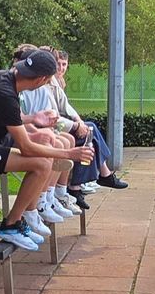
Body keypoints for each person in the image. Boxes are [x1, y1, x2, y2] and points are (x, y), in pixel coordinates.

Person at [0, 51, 94, 250]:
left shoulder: (5, 79)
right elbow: (26, 147)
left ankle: (34, 210)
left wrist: (34, 122)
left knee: (45, 146)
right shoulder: (4, 92)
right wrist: (70, 154)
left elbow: (12, 118)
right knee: (41, 164)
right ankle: (12, 224)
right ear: (42, 79)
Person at [13, 45, 84, 221]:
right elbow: (19, 128)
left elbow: (24, 119)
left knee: (63, 140)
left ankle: (50, 197)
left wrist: (42, 127)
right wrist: (67, 153)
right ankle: (30, 210)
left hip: (11, 135)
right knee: (45, 160)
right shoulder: (9, 85)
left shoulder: (35, 86)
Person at [53, 48, 127, 200]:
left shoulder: (59, 82)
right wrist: (77, 125)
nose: (61, 68)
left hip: (61, 125)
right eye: (58, 64)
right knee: (88, 136)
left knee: (89, 135)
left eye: (64, 64)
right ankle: (86, 180)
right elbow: (55, 113)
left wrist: (79, 122)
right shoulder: (50, 83)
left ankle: (84, 182)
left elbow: (67, 108)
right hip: (55, 128)